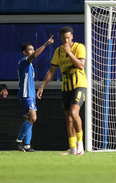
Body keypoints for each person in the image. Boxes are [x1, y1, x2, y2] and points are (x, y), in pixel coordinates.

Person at [37, 26, 87, 155]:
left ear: (72, 37)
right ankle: (72, 148)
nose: (66, 40)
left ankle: (80, 144)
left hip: (79, 85)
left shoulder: (79, 47)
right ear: (61, 38)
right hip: (66, 87)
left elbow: (81, 65)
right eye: (64, 38)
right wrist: (42, 86)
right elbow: (52, 71)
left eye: (68, 38)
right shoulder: (58, 52)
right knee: (68, 118)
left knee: (74, 112)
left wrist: (69, 52)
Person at [14, 36, 54, 152]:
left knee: (29, 119)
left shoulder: (30, 66)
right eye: (30, 49)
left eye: (33, 49)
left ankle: (27, 145)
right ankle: (18, 141)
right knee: (33, 118)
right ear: (24, 52)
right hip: (25, 95)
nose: (32, 51)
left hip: (30, 95)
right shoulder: (24, 62)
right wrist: (45, 44)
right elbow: (35, 55)